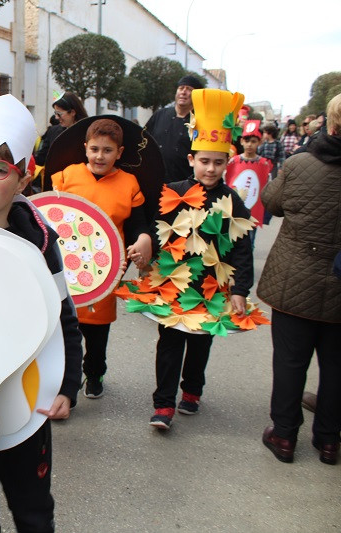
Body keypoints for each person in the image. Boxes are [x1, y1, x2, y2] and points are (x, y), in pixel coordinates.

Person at [0, 93, 83, 533]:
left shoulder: (41, 244)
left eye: (0, 168)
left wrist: (68, 383)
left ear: (23, 178)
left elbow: (65, 319)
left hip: (29, 397)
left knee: (32, 508)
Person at [132, 89, 254, 430]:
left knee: (200, 345)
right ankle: (163, 405)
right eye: (204, 160)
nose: (210, 168)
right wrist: (144, 255)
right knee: (169, 344)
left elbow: (243, 247)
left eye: (218, 162)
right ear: (191, 160)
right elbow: (156, 231)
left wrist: (241, 288)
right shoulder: (173, 192)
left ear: (226, 163)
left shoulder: (233, 202)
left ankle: (192, 390)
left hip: (212, 289)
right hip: (172, 286)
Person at [257, 93, 341, 466]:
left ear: (329, 123)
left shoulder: (299, 164)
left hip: (295, 279)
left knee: (290, 362)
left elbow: (271, 203)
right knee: (337, 367)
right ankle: (328, 441)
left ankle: (284, 435)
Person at [50, 118, 153, 398]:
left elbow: (137, 225)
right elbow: (47, 213)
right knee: (63, 331)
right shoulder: (66, 176)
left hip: (104, 272)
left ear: (119, 152)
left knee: (96, 334)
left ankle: (95, 372)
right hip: (66, 270)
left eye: (107, 151)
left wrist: (143, 239)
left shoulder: (129, 184)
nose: (99, 156)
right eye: (94, 149)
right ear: (85, 148)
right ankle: (65, 387)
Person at [145, 75, 205, 183]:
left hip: (184, 186)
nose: (183, 92)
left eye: (189, 90)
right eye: (181, 88)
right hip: (153, 182)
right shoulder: (160, 115)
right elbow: (143, 141)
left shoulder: (200, 122)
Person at [225, 120, 272, 240]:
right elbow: (226, 181)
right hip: (233, 210)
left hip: (253, 213)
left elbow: (267, 187)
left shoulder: (264, 164)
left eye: (253, 141)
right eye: (247, 141)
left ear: (259, 143)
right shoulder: (233, 161)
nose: (249, 144)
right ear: (241, 141)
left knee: (250, 241)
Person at [33, 92, 88, 188]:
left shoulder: (87, 133)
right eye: (55, 113)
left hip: (79, 185)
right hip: (54, 185)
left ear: (72, 112)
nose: (56, 117)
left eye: (59, 114)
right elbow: (41, 158)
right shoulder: (53, 131)